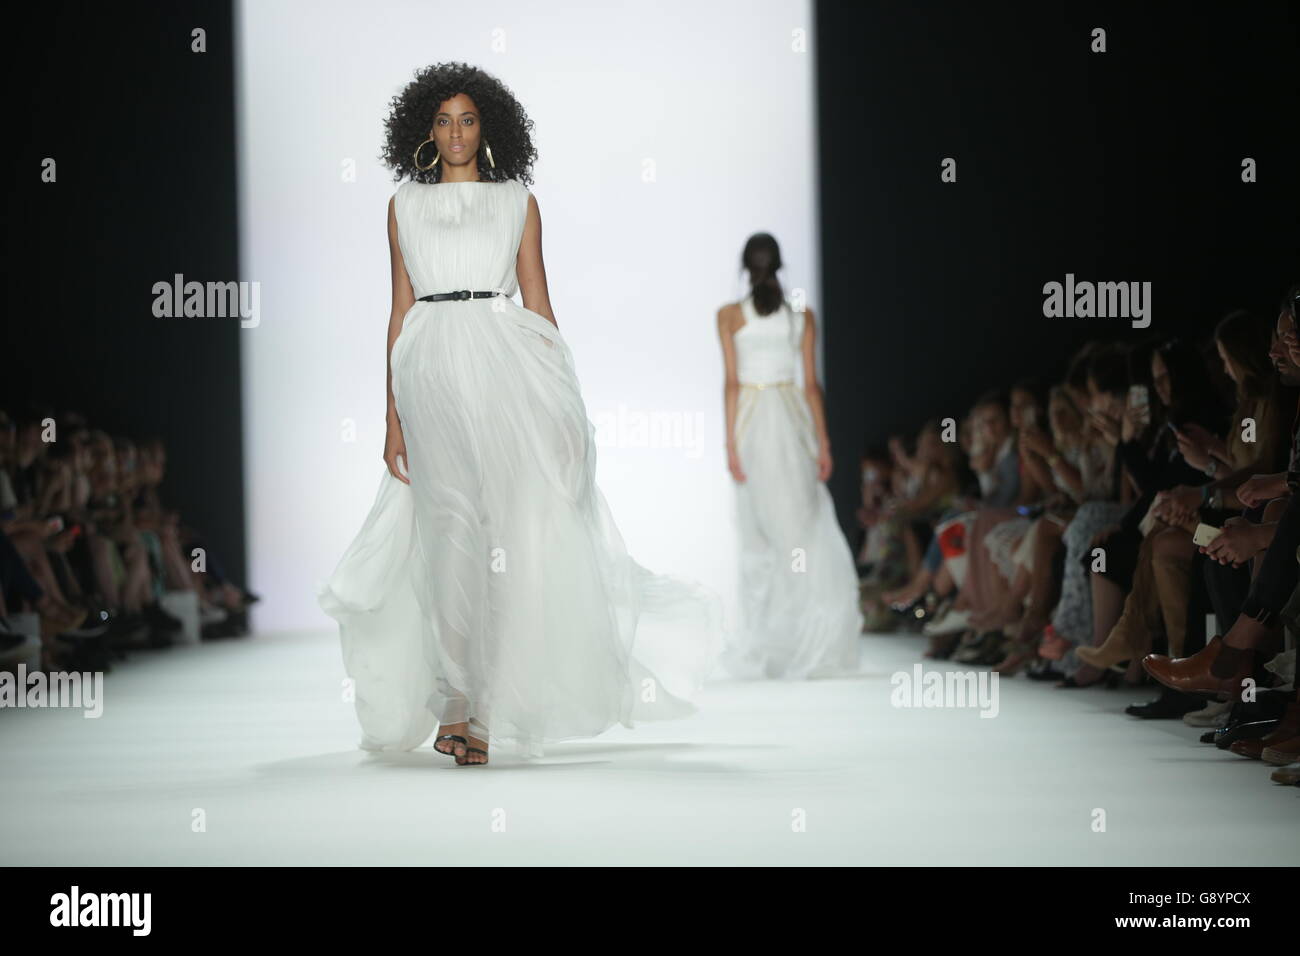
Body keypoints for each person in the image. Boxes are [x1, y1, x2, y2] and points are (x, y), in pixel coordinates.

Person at [318, 62, 724, 765]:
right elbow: (398, 308)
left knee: (502, 531)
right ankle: (457, 701)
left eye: (468, 119)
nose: (455, 132)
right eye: (443, 120)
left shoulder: (517, 202)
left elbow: (538, 303)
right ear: (425, 128)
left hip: (503, 364)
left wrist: (565, 404)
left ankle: (483, 709)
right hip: (428, 367)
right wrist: (390, 416)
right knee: (447, 532)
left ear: (489, 126)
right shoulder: (402, 206)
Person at [715, 233, 864, 677]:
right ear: (779, 265)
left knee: (759, 535)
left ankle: (766, 645)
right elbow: (812, 386)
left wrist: (729, 445)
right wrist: (824, 443)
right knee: (800, 530)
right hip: (792, 422)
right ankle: (804, 639)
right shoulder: (802, 318)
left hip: (753, 426)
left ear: (745, 267)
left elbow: (731, 384)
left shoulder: (728, 316)